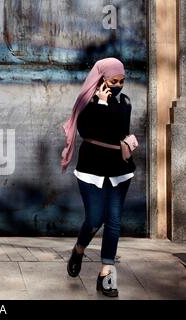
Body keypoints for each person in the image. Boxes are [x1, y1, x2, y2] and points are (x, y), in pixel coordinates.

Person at [60, 57, 136, 297]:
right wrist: (100, 105)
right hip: (91, 168)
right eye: (114, 81)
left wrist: (107, 104)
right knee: (94, 219)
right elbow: (89, 130)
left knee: (113, 221)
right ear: (102, 79)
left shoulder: (124, 102)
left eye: (122, 81)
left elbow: (117, 129)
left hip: (119, 170)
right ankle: (79, 249)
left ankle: (106, 273)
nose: (119, 85)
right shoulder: (86, 104)